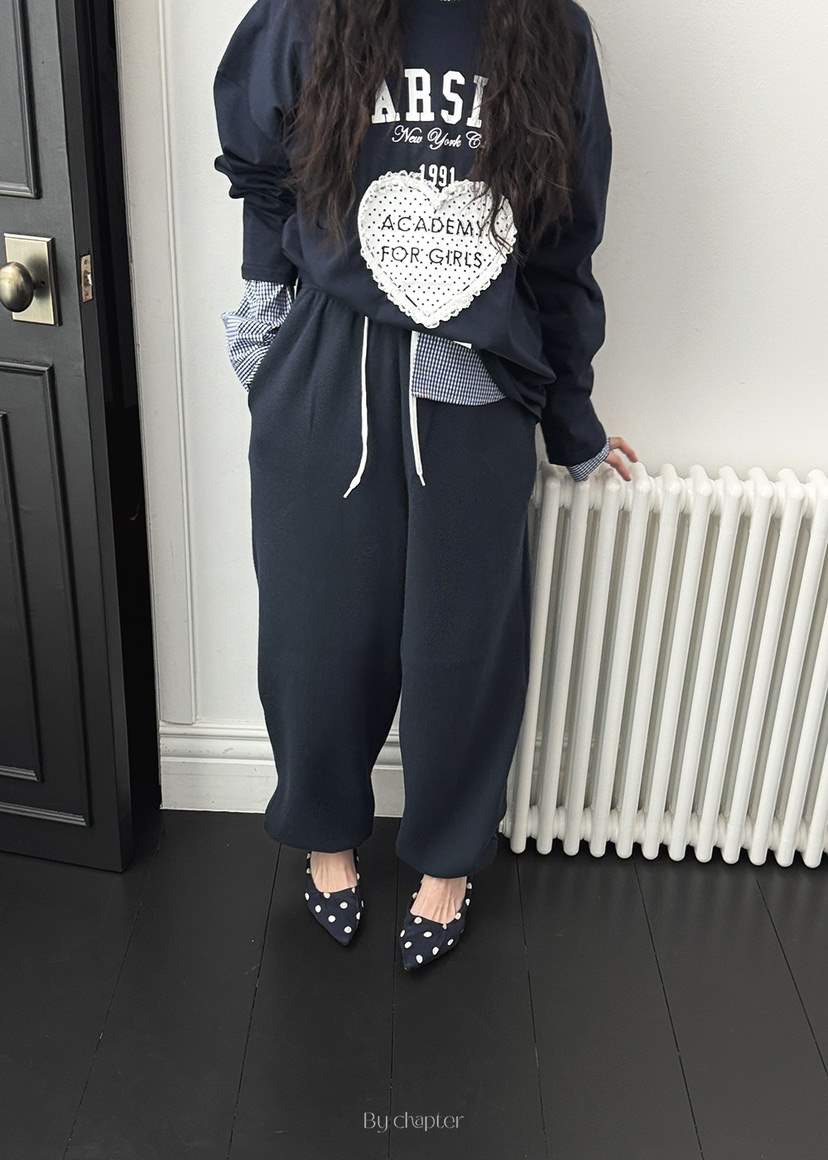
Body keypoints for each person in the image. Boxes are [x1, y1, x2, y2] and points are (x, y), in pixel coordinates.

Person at [214, 0, 637, 971]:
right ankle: (326, 841)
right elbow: (266, 178)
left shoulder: (551, 32)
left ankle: (447, 861)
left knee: (462, 650)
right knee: (316, 635)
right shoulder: (308, 15)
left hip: (474, 382)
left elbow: (564, 246)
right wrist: (261, 330)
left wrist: (574, 422)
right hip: (327, 371)